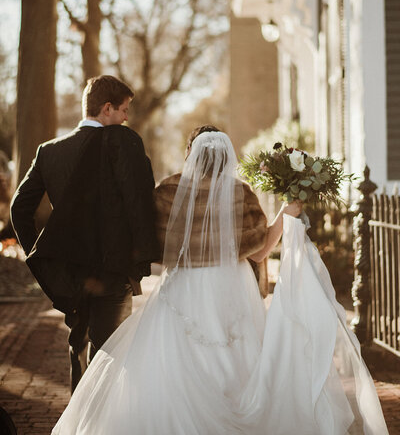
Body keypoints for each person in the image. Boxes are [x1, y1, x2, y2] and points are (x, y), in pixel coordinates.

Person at [51, 126, 388, 434]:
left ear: (191, 154)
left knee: (175, 358)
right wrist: (287, 212)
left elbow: (153, 247)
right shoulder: (240, 193)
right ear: (227, 157)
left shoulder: (167, 191)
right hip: (231, 286)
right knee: (240, 358)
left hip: (183, 286)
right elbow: (259, 252)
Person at [10, 75, 159, 392]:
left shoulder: (49, 152)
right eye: (124, 109)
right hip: (113, 270)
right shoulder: (125, 144)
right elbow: (139, 203)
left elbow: (19, 209)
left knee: (78, 345)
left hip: (68, 272)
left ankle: (79, 418)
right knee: (111, 352)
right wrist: (142, 259)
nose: (126, 117)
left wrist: (38, 255)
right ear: (107, 109)